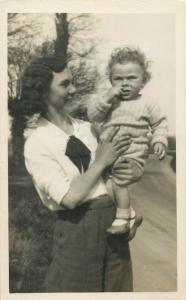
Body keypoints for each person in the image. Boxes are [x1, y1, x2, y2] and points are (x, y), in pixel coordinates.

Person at [22, 56, 143, 292]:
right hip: (77, 229)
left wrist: (133, 171)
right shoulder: (37, 142)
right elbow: (69, 198)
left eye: (72, 82)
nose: (74, 89)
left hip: (112, 225)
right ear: (43, 91)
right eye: (65, 84)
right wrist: (101, 162)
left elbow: (114, 172)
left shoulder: (86, 127)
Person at [88, 46, 168, 235]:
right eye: (118, 79)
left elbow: (160, 123)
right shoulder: (110, 102)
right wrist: (107, 97)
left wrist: (159, 140)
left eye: (131, 78)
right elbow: (93, 116)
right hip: (109, 152)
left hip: (131, 154)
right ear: (111, 80)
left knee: (119, 181)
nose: (125, 83)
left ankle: (123, 218)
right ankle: (131, 214)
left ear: (143, 81)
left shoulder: (148, 104)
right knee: (106, 186)